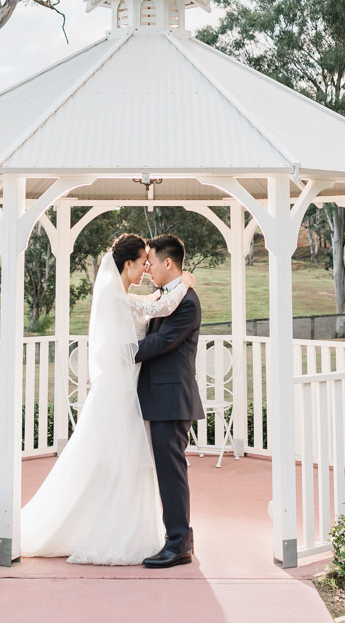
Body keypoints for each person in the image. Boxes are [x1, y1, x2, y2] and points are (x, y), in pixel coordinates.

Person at [19, 233, 195, 564]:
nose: (146, 268)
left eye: (150, 262)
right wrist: (184, 282)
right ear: (127, 264)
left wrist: (179, 287)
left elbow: (159, 310)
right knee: (114, 463)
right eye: (143, 263)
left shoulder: (127, 297)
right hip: (122, 391)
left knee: (126, 464)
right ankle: (121, 531)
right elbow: (161, 308)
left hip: (136, 391)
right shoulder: (117, 299)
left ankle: (163, 534)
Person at [134, 232, 201, 568]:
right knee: (166, 470)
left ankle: (179, 543)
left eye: (152, 262)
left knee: (171, 472)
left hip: (172, 399)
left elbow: (161, 342)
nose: (148, 269)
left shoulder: (187, 303)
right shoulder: (168, 296)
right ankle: (177, 538)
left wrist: (122, 353)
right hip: (158, 397)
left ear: (168, 262)